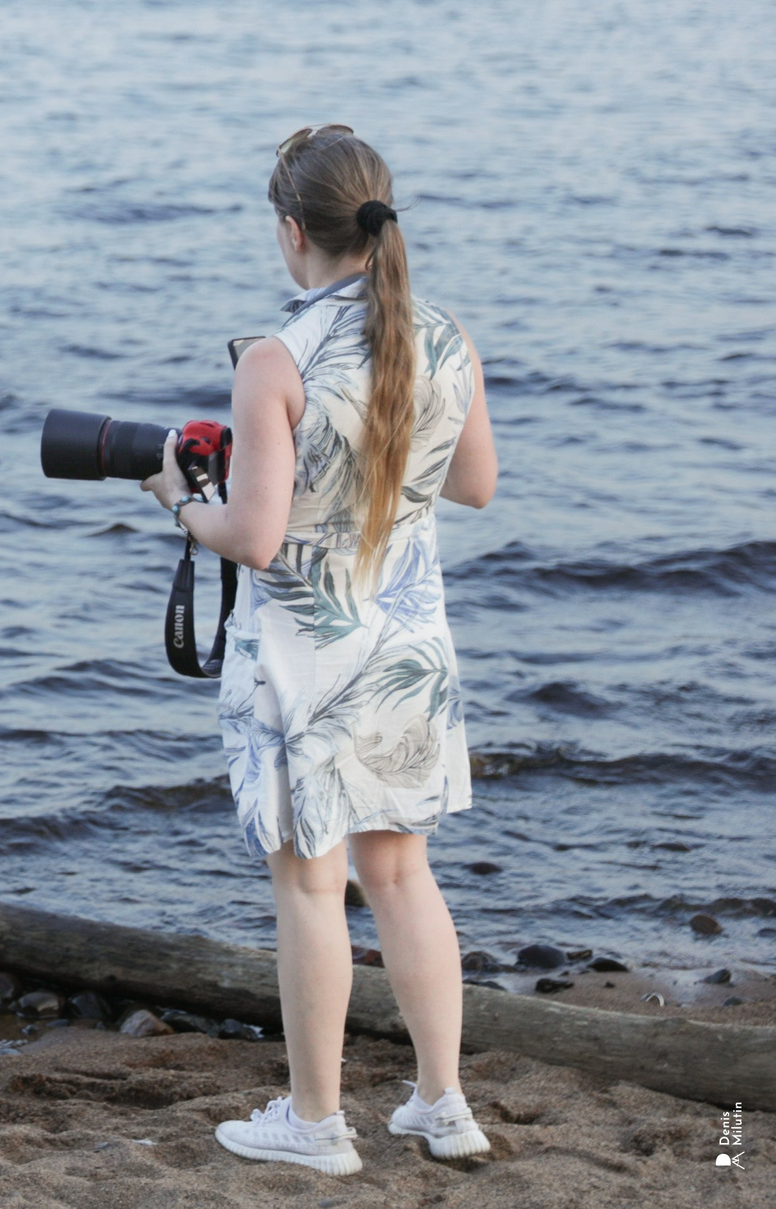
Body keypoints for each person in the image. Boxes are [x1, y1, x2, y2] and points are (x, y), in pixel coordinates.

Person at [141, 124, 497, 1179]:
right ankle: (442, 1104)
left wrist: (177, 502)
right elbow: (472, 485)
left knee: (309, 887)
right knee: (401, 871)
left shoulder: (275, 358)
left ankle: (316, 1121)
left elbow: (251, 538)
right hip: (407, 648)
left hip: (305, 654)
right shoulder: (441, 337)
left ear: (293, 232)